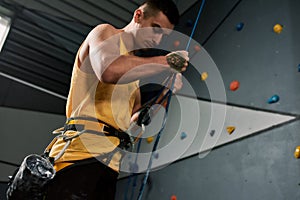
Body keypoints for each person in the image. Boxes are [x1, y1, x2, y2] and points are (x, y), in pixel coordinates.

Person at [44, 0, 189, 199]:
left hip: (109, 167)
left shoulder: (133, 78)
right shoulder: (105, 33)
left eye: (163, 36)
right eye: (155, 29)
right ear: (138, 16)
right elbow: (108, 70)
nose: (157, 40)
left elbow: (135, 127)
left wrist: (165, 94)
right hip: (76, 156)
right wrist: (167, 61)